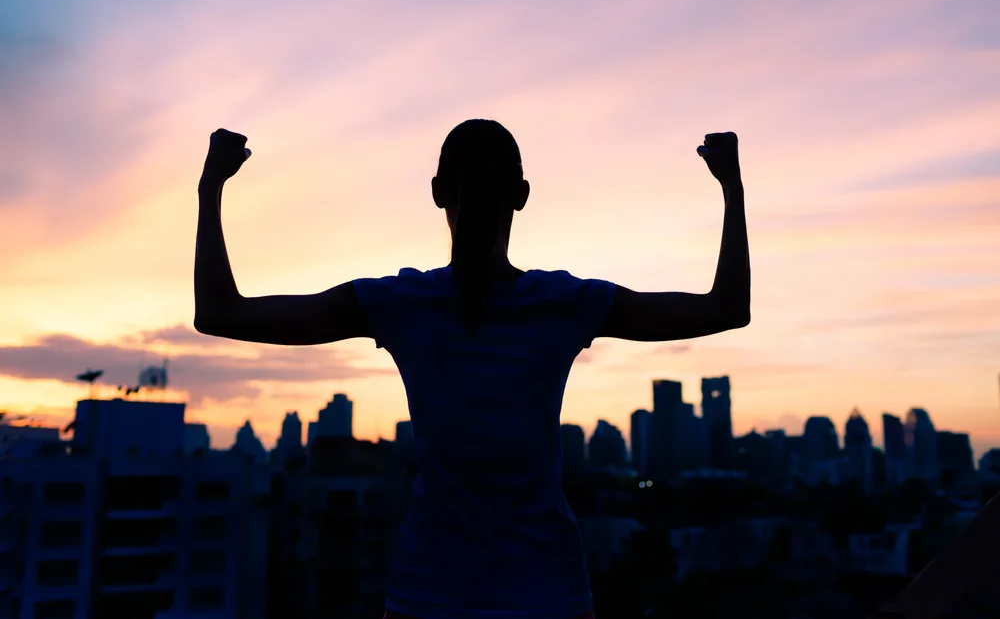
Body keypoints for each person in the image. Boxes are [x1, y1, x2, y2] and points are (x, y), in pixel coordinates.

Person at [194, 119, 750, 619]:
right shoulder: (565, 303)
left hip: (430, 592)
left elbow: (222, 313)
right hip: (547, 591)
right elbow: (725, 308)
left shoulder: (400, 303)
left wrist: (211, 187)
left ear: (438, 193)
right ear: (522, 196)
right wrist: (731, 186)